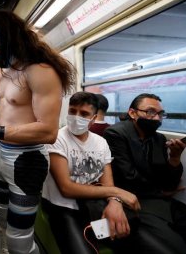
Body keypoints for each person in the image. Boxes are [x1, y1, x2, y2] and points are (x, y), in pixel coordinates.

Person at [0, 11, 76, 254]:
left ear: (10, 40)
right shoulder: (5, 72)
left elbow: (48, 131)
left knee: (19, 238)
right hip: (2, 156)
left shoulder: (41, 71)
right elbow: (8, 113)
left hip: (27, 162)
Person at [41, 91, 140, 254]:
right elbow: (66, 188)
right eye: (72, 111)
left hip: (92, 204)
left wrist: (115, 202)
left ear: (93, 118)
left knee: (127, 236)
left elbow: (107, 182)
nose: (76, 116)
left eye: (84, 113)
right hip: (63, 207)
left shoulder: (101, 143)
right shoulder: (57, 138)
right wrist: (117, 192)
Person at [104, 93, 186, 253]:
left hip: (161, 200)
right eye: (151, 112)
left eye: (160, 114)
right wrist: (161, 191)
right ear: (132, 113)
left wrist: (174, 157)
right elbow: (128, 176)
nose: (157, 118)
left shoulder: (158, 139)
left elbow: (169, 182)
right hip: (133, 201)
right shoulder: (115, 134)